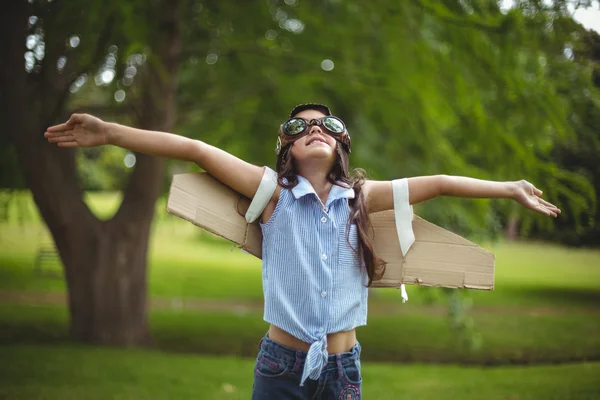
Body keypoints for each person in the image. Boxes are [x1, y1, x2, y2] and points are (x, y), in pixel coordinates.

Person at [45, 103, 560, 400]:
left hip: (343, 368)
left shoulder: (362, 197)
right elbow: (194, 149)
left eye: (326, 126)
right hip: (280, 366)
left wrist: (508, 187)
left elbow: (442, 182)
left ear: (340, 146)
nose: (314, 129)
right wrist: (109, 133)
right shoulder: (270, 195)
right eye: (301, 127)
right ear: (286, 148)